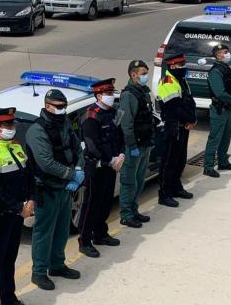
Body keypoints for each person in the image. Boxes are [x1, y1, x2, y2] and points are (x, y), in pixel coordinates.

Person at [26, 89, 84, 291]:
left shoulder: (65, 123)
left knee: (61, 231)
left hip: (65, 189)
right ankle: (39, 272)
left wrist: (79, 169)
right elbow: (45, 163)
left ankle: (57, 265)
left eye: (64, 106)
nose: (62, 110)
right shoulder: (37, 130)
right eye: (59, 107)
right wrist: (71, 174)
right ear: (47, 106)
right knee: (44, 233)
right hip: (47, 189)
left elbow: (77, 148)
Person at [0, 108, 35, 305]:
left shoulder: (17, 147)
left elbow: (29, 176)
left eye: (13, 124)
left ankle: (8, 297)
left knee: (9, 257)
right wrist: (20, 207)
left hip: (16, 212)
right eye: (8, 125)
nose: (12, 128)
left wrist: (31, 199)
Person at [78, 78, 125, 258]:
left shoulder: (113, 113)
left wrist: (121, 154)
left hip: (112, 165)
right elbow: (92, 145)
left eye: (111, 93)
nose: (110, 96)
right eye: (107, 93)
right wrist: (110, 159)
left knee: (106, 201)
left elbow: (120, 136)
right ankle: (85, 240)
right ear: (98, 95)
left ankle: (100, 233)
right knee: (91, 204)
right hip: (97, 167)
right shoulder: (91, 115)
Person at [155, 53, 196, 207]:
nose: (183, 68)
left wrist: (193, 119)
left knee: (180, 160)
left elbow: (188, 102)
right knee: (169, 162)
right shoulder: (167, 82)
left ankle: (176, 187)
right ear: (172, 66)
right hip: (173, 127)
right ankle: (164, 194)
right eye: (180, 65)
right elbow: (174, 108)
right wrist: (190, 119)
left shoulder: (181, 80)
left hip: (183, 127)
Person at [119, 60, 154, 229]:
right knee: (129, 182)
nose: (146, 76)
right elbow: (126, 124)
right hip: (134, 146)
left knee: (140, 181)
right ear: (133, 75)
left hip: (145, 144)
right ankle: (126, 214)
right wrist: (131, 145)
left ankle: (134, 210)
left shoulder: (143, 92)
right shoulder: (128, 95)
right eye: (143, 74)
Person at [203, 45, 231, 178]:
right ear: (218, 55)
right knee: (215, 138)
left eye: (227, 51)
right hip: (219, 109)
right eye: (225, 52)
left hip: (227, 108)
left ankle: (223, 161)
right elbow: (219, 92)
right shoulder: (216, 72)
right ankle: (208, 166)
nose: (228, 54)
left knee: (225, 137)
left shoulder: (225, 68)